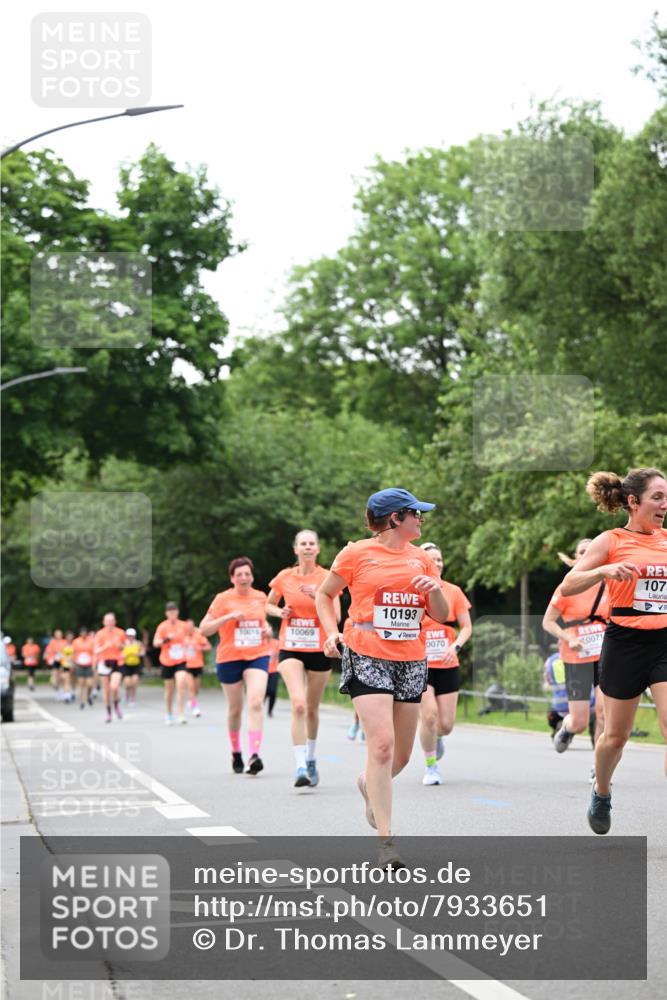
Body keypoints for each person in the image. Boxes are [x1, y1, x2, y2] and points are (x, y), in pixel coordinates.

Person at [316, 488, 449, 867]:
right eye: (415, 514)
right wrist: (331, 631)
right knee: (383, 746)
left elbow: (439, 613)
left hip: (411, 658)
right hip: (366, 652)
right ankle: (387, 844)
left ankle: (366, 784)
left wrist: (435, 589)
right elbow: (326, 596)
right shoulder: (356, 553)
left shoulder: (422, 559)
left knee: (402, 756)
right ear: (394, 519)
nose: (421, 519)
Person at [560, 467, 667, 834]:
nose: (664, 505)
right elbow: (569, 584)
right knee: (615, 737)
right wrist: (604, 573)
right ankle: (601, 791)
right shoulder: (611, 540)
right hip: (625, 643)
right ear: (633, 502)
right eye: (657, 497)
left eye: (666, 498)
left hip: (664, 642)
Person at [267, 529, 341, 787]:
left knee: (311, 708)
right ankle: (300, 767)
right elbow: (268, 604)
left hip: (319, 649)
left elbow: (338, 616)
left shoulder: (327, 577)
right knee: (298, 704)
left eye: (312, 543)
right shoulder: (285, 577)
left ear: (318, 549)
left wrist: (317, 596)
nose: (308, 547)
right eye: (303, 543)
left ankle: (310, 758)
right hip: (291, 646)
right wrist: (279, 611)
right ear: (295, 549)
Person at [199, 557, 273, 775]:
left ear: (252, 576)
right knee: (235, 709)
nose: (243, 578)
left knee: (256, 702)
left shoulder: (260, 597)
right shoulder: (223, 599)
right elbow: (204, 629)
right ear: (232, 578)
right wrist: (228, 617)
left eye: (247, 574)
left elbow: (263, 623)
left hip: (257, 655)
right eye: (239, 574)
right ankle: (236, 751)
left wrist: (267, 630)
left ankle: (254, 755)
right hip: (229, 657)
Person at [542, 539, 609, 757]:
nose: (587, 554)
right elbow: (548, 622)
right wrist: (567, 637)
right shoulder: (566, 588)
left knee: (603, 714)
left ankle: (597, 767)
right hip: (576, 658)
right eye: (582, 551)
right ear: (575, 559)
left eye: (591, 551)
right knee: (579, 721)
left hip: (605, 656)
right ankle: (567, 728)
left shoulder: (610, 584)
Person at [417, 542, 473, 786]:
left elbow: (467, 627)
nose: (437, 563)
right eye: (431, 559)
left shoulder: (454, 591)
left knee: (446, 725)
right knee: (429, 716)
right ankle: (431, 768)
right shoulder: (412, 590)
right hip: (420, 663)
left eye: (439, 559)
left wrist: (455, 647)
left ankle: (437, 738)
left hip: (448, 662)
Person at [153, 602, 190, 725]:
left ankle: (181, 714)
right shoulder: (162, 626)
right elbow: (155, 643)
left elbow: (193, 636)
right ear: (166, 614)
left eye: (174, 612)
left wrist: (187, 642)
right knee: (169, 690)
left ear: (177, 612)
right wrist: (166, 639)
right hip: (167, 660)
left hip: (181, 659)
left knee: (181, 683)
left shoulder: (184, 625)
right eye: (170, 613)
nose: (172, 615)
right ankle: (168, 714)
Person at [93, 614, 126, 722]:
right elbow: (96, 651)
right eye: (107, 621)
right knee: (106, 690)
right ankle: (109, 712)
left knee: (114, 687)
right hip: (104, 663)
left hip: (117, 662)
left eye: (111, 620)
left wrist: (120, 646)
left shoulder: (120, 632)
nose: (110, 623)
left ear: (115, 621)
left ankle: (116, 704)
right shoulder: (100, 634)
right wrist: (105, 647)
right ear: (104, 622)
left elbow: (126, 646)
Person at [183, 619, 211, 717]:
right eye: (187, 627)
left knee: (196, 688)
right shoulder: (183, 637)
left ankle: (192, 700)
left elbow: (208, 647)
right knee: (191, 687)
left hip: (198, 664)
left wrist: (200, 648)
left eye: (191, 627)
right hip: (186, 665)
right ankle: (195, 708)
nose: (189, 629)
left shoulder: (198, 636)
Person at [72, 627, 95, 709]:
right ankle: (82, 701)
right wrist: (74, 664)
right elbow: (73, 653)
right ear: (80, 634)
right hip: (80, 664)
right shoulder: (76, 642)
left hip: (89, 664)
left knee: (90, 684)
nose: (84, 635)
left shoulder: (91, 641)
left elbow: (94, 653)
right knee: (81, 683)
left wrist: (94, 664)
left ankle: (88, 695)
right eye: (82, 633)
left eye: (85, 633)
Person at [121, 628, 145, 705]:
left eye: (132, 636)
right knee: (128, 683)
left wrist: (138, 654)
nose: (130, 637)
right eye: (129, 636)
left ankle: (132, 698)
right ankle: (127, 695)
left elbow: (143, 652)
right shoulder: (124, 644)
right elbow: (120, 654)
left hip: (136, 665)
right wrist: (123, 655)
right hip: (126, 665)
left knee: (134, 682)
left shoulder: (138, 643)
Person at [44, 629, 66, 700]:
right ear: (55, 635)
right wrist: (49, 659)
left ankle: (61, 690)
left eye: (60, 634)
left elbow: (67, 650)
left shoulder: (64, 642)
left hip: (63, 660)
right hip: (55, 660)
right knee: (55, 675)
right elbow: (48, 651)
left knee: (62, 676)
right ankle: (56, 688)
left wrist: (63, 654)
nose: (59, 636)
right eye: (57, 634)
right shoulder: (52, 642)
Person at [265, 633, 281, 718]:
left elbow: (281, 655)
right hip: (263, 670)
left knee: (272, 691)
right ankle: (259, 708)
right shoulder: (260, 643)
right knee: (264, 691)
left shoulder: (276, 643)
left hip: (274, 670)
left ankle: (270, 710)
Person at [60, 631, 76, 703]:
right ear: (66, 637)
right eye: (68, 637)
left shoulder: (75, 645)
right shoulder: (63, 645)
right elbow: (61, 655)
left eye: (71, 637)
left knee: (72, 680)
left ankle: (72, 692)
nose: (70, 638)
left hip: (73, 665)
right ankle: (67, 695)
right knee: (66, 680)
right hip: (65, 665)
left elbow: (76, 655)